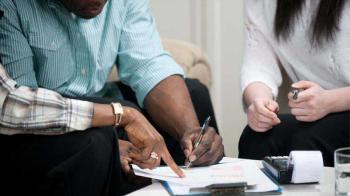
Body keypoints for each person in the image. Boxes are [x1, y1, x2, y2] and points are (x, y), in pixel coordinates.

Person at [0, 0, 224, 195]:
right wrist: (117, 136)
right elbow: (24, 109)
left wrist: (193, 133)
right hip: (42, 125)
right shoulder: (12, 5)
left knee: (194, 95)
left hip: (102, 103)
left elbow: (148, 63)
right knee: (98, 141)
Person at [239, 0, 350, 167]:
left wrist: (331, 101)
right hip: (321, 113)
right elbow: (259, 63)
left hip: (339, 106)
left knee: (307, 144)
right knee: (257, 137)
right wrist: (260, 103)